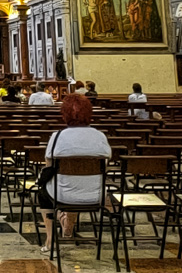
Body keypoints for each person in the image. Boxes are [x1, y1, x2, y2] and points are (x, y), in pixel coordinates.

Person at [39, 94, 111, 253]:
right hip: (96, 195)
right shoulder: (100, 136)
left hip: (63, 194)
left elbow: (49, 165)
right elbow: (106, 166)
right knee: (80, 183)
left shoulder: (57, 137)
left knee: (45, 192)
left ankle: (51, 240)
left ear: (64, 114)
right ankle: (68, 226)